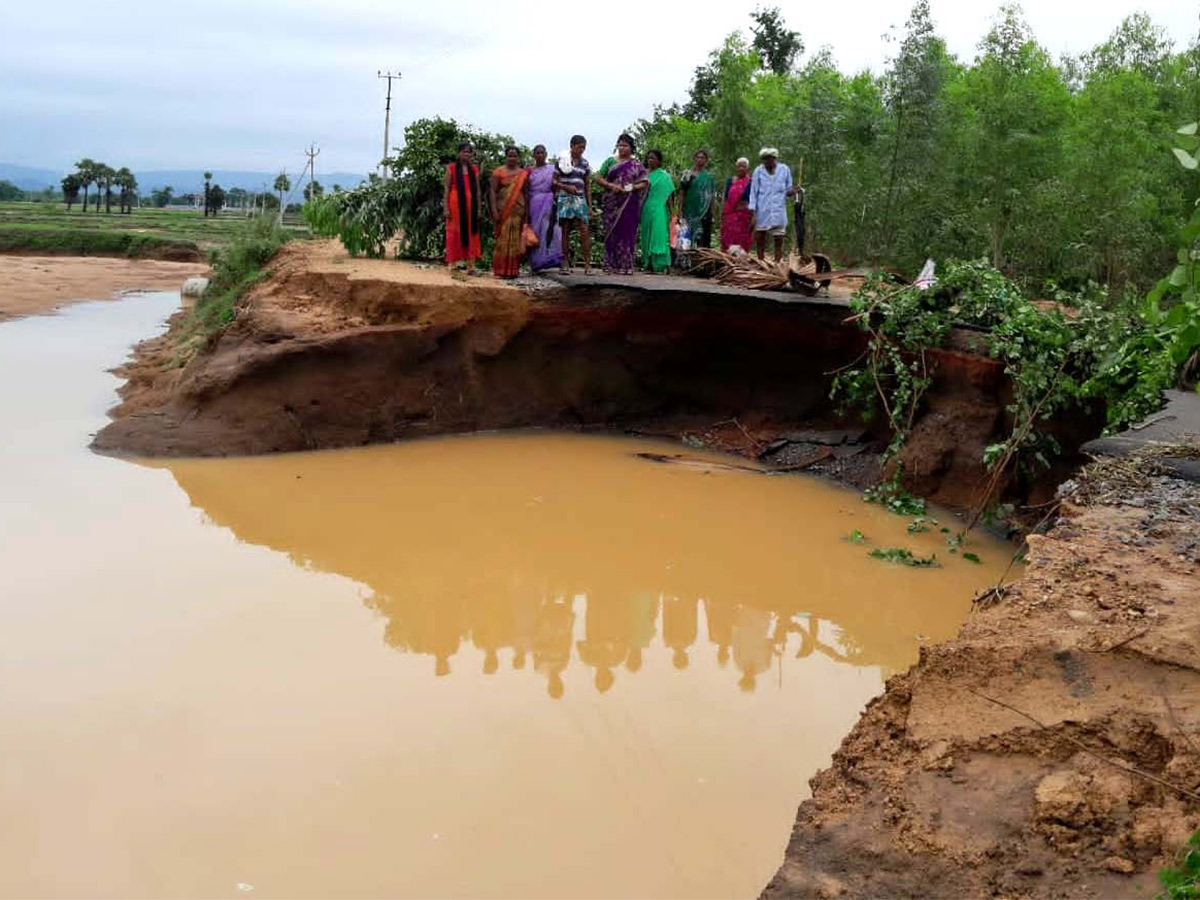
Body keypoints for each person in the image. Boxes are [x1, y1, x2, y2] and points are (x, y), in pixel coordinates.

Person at [593, 133, 648, 274]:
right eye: (620, 145)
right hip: (611, 203)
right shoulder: (610, 162)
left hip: (629, 204)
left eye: (625, 145)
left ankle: (626, 265)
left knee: (627, 233)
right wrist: (611, 186)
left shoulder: (636, 164)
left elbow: (644, 182)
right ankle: (610, 265)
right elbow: (598, 178)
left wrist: (630, 188)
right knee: (611, 233)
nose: (622, 148)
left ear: (631, 148)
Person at [553, 135, 592, 275]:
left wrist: (590, 206)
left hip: (580, 199)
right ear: (572, 146)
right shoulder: (562, 162)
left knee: (584, 230)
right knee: (565, 231)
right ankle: (565, 264)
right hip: (565, 198)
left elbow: (587, 185)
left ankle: (588, 265)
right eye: (579, 147)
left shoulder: (585, 164)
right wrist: (566, 186)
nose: (581, 150)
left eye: (583, 147)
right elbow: (554, 181)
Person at [488, 146, 529, 279]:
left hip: (518, 211)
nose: (512, 158)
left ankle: (512, 271)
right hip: (502, 211)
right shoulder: (498, 172)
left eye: (514, 156)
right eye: (509, 156)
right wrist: (494, 210)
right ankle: (500, 270)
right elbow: (492, 192)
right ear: (506, 157)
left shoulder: (523, 174)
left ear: (518, 158)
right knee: (502, 239)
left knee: (515, 241)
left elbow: (526, 193)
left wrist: (527, 215)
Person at [748, 147, 794, 262]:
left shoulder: (784, 169)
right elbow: (753, 192)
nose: (768, 162)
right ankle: (760, 261)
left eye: (770, 159)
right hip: (762, 209)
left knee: (779, 239)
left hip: (778, 210)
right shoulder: (758, 171)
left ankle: (777, 263)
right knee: (760, 238)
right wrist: (753, 213)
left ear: (775, 159)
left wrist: (792, 191)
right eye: (765, 159)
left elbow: (789, 189)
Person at [443, 141, 482, 271]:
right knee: (454, 233)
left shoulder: (474, 169)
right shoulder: (452, 168)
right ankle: (452, 263)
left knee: (472, 232)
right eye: (464, 151)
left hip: (471, 207)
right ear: (459, 153)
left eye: (469, 152)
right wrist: (446, 208)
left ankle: (471, 265)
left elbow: (477, 189)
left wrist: (479, 208)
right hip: (455, 206)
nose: (466, 154)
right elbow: (447, 188)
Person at [526, 144, 563, 271]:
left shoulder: (553, 169)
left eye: (542, 153)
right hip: (534, 203)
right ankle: (537, 261)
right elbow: (525, 189)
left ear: (546, 154)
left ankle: (553, 258)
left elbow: (557, 185)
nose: (540, 155)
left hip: (549, 201)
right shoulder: (528, 171)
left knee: (552, 229)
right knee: (536, 231)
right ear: (534, 155)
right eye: (537, 153)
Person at [638, 149, 674, 273]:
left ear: (659, 161)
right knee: (646, 235)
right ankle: (647, 264)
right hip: (646, 209)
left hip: (659, 209)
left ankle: (661, 265)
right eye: (649, 158)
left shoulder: (665, 176)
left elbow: (669, 195)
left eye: (653, 158)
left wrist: (672, 212)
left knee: (659, 235)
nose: (650, 160)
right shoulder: (643, 175)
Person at [678, 149, 715, 250]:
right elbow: (681, 193)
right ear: (694, 159)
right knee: (686, 237)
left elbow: (711, 196)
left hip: (704, 212)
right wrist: (680, 211)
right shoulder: (687, 174)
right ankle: (686, 262)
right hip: (689, 211)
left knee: (703, 238)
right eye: (697, 157)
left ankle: (702, 262)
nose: (700, 160)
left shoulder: (709, 177)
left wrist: (712, 214)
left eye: (702, 158)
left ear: (706, 160)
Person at [720, 157, 753, 252]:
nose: (741, 168)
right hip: (730, 216)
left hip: (744, 217)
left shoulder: (751, 182)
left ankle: (740, 262)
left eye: (744, 166)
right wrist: (723, 214)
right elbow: (726, 199)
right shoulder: (730, 181)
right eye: (739, 166)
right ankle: (726, 259)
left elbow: (753, 200)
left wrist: (754, 216)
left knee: (742, 239)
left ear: (747, 168)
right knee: (727, 238)